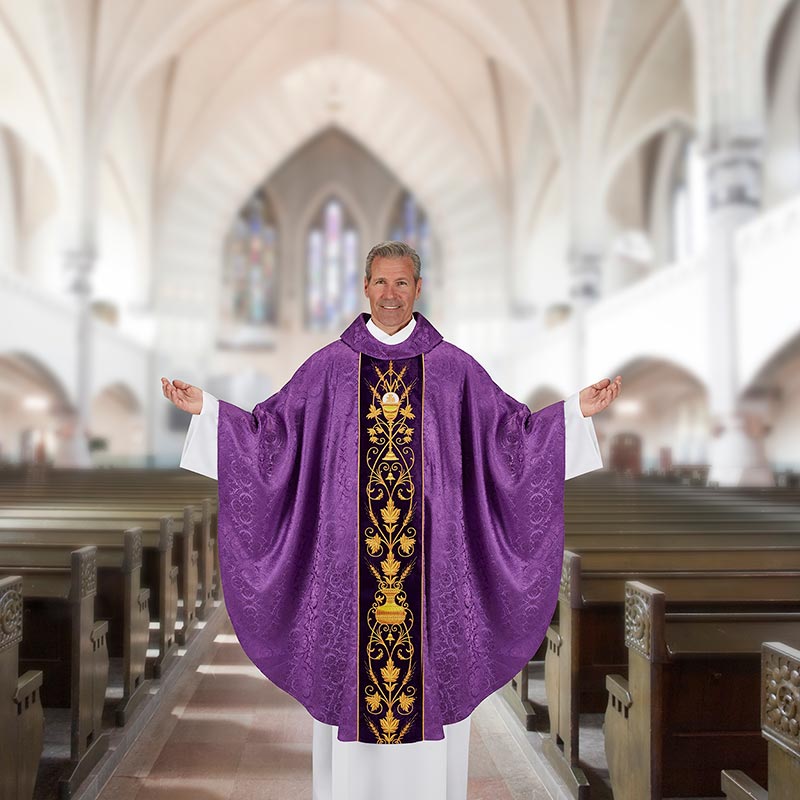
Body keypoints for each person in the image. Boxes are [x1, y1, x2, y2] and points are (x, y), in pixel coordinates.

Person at [162, 240, 622, 800]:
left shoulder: (452, 368)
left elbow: (513, 437)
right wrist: (207, 410)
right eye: (380, 282)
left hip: (434, 569)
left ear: (418, 289)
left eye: (401, 283)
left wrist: (575, 411)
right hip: (347, 569)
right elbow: (270, 435)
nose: (390, 294)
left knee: (430, 690)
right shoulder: (330, 367)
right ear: (364, 287)